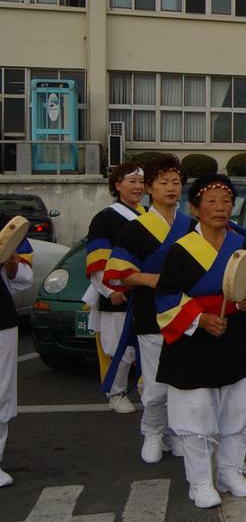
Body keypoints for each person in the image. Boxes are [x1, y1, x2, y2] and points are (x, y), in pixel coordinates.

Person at [156, 175, 246, 508]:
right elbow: (165, 297)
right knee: (196, 413)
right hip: (194, 340)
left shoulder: (243, 245)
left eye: (226, 201)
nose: (220, 208)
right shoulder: (180, 250)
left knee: (239, 409)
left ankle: (230, 472)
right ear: (195, 209)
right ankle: (200, 482)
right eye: (211, 202)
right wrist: (200, 318)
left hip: (235, 334)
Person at [103, 154, 195, 463]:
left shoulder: (192, 226)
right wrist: (150, 279)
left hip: (186, 312)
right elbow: (118, 273)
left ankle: (176, 433)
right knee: (156, 384)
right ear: (149, 188)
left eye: (176, 182)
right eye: (163, 182)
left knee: (183, 381)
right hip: (150, 313)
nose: (171, 188)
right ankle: (153, 431)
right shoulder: (134, 229)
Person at [84, 162, 146, 414]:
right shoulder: (105, 218)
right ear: (118, 185)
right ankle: (116, 393)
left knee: (146, 344)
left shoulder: (149, 216)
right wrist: (110, 290)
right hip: (117, 292)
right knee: (120, 348)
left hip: (145, 291)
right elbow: (98, 259)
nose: (138, 187)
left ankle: (146, 388)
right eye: (132, 181)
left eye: (141, 182)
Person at [0, 229, 34, 487]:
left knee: (1, 393)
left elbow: (23, 276)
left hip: (1, 322)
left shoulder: (6, 225)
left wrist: (11, 263)